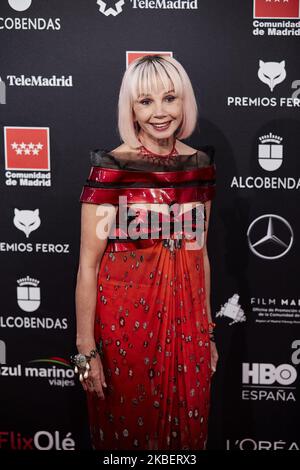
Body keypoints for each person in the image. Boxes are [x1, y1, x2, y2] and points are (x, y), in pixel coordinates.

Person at [74, 54, 218, 451]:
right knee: (128, 439)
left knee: (186, 441)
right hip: (124, 329)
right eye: (146, 101)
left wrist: (207, 331)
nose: (160, 113)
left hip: (187, 326)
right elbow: (88, 266)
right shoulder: (111, 170)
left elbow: (199, 254)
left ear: (183, 103)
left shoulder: (199, 167)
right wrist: (86, 350)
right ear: (131, 109)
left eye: (169, 99)